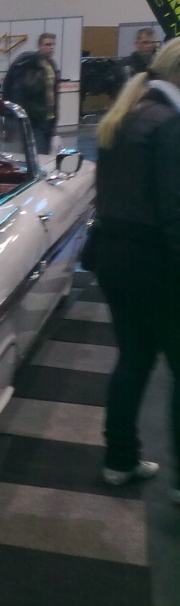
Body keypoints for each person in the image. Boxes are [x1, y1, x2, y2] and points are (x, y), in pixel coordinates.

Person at [91, 37, 180, 505]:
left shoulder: (125, 116)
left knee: (134, 359)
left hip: (114, 258)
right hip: (156, 263)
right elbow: (174, 210)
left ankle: (120, 459)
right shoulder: (170, 124)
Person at [1, 32, 60, 155]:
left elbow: (53, 92)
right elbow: (21, 90)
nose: (51, 47)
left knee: (45, 153)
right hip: (35, 118)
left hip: (49, 117)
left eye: (53, 45)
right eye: (47, 44)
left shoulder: (51, 65)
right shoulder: (29, 63)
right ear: (40, 46)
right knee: (36, 153)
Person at [115, 27, 157, 93]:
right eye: (145, 42)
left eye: (152, 42)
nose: (149, 45)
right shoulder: (125, 65)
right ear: (136, 44)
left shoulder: (158, 64)